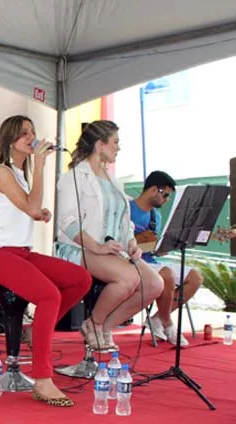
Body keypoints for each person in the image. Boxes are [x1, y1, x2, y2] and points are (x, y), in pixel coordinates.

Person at [0, 115, 92, 407]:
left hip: (20, 251)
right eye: (24, 133)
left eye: (32, 132)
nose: (31, 137)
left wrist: (40, 214)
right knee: (49, 295)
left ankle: (35, 330)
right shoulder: (1, 171)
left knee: (80, 279)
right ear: (10, 139)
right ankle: (42, 378)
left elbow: (27, 208)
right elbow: (29, 204)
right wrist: (40, 169)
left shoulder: (19, 173)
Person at [56, 120, 164, 351]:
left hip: (112, 250)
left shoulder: (113, 180)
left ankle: (105, 326)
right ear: (100, 144)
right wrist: (96, 247)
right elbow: (66, 221)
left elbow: (125, 221)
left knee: (154, 284)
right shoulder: (73, 177)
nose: (118, 147)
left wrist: (133, 243)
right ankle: (93, 323)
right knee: (128, 278)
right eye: (115, 142)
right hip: (81, 248)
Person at [131, 171, 203, 347]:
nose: (166, 200)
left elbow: (153, 245)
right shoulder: (127, 208)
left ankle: (156, 319)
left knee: (195, 277)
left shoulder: (157, 216)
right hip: (132, 262)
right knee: (167, 274)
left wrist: (162, 248)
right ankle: (168, 323)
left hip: (152, 262)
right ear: (155, 189)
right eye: (165, 195)